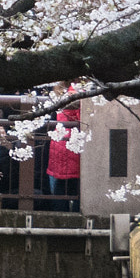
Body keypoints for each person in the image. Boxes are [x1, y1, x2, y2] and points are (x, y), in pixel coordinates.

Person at [45, 82, 82, 213]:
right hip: (75, 141)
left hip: (59, 140)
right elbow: (82, 118)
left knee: (60, 186)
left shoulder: (60, 90)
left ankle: (59, 217)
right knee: (78, 187)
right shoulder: (79, 91)